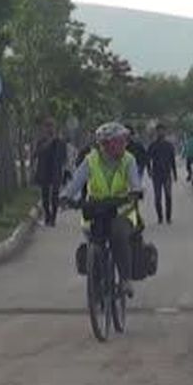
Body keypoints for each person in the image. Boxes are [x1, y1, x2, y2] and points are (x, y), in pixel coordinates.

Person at [61, 121, 143, 296]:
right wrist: (66, 197)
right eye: (118, 142)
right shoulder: (91, 160)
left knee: (118, 234)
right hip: (96, 209)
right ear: (105, 144)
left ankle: (126, 279)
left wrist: (135, 192)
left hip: (123, 210)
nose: (122, 145)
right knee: (92, 237)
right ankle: (96, 278)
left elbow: (135, 182)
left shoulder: (129, 160)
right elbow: (76, 181)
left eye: (123, 141)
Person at [33, 117, 67, 226]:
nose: (49, 129)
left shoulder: (60, 142)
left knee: (55, 196)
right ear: (44, 128)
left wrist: (64, 170)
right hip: (44, 172)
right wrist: (48, 142)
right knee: (45, 196)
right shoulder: (41, 141)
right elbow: (36, 154)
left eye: (51, 126)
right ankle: (47, 216)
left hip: (55, 172)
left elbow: (64, 157)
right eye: (47, 126)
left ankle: (53, 218)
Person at [146, 123, 178, 224]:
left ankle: (168, 217)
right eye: (159, 130)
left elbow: (173, 160)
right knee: (158, 197)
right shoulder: (152, 146)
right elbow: (148, 159)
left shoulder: (169, 146)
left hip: (167, 174)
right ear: (156, 132)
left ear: (165, 132)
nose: (161, 132)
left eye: (162, 130)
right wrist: (149, 170)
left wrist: (175, 173)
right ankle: (160, 217)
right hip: (156, 174)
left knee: (168, 196)